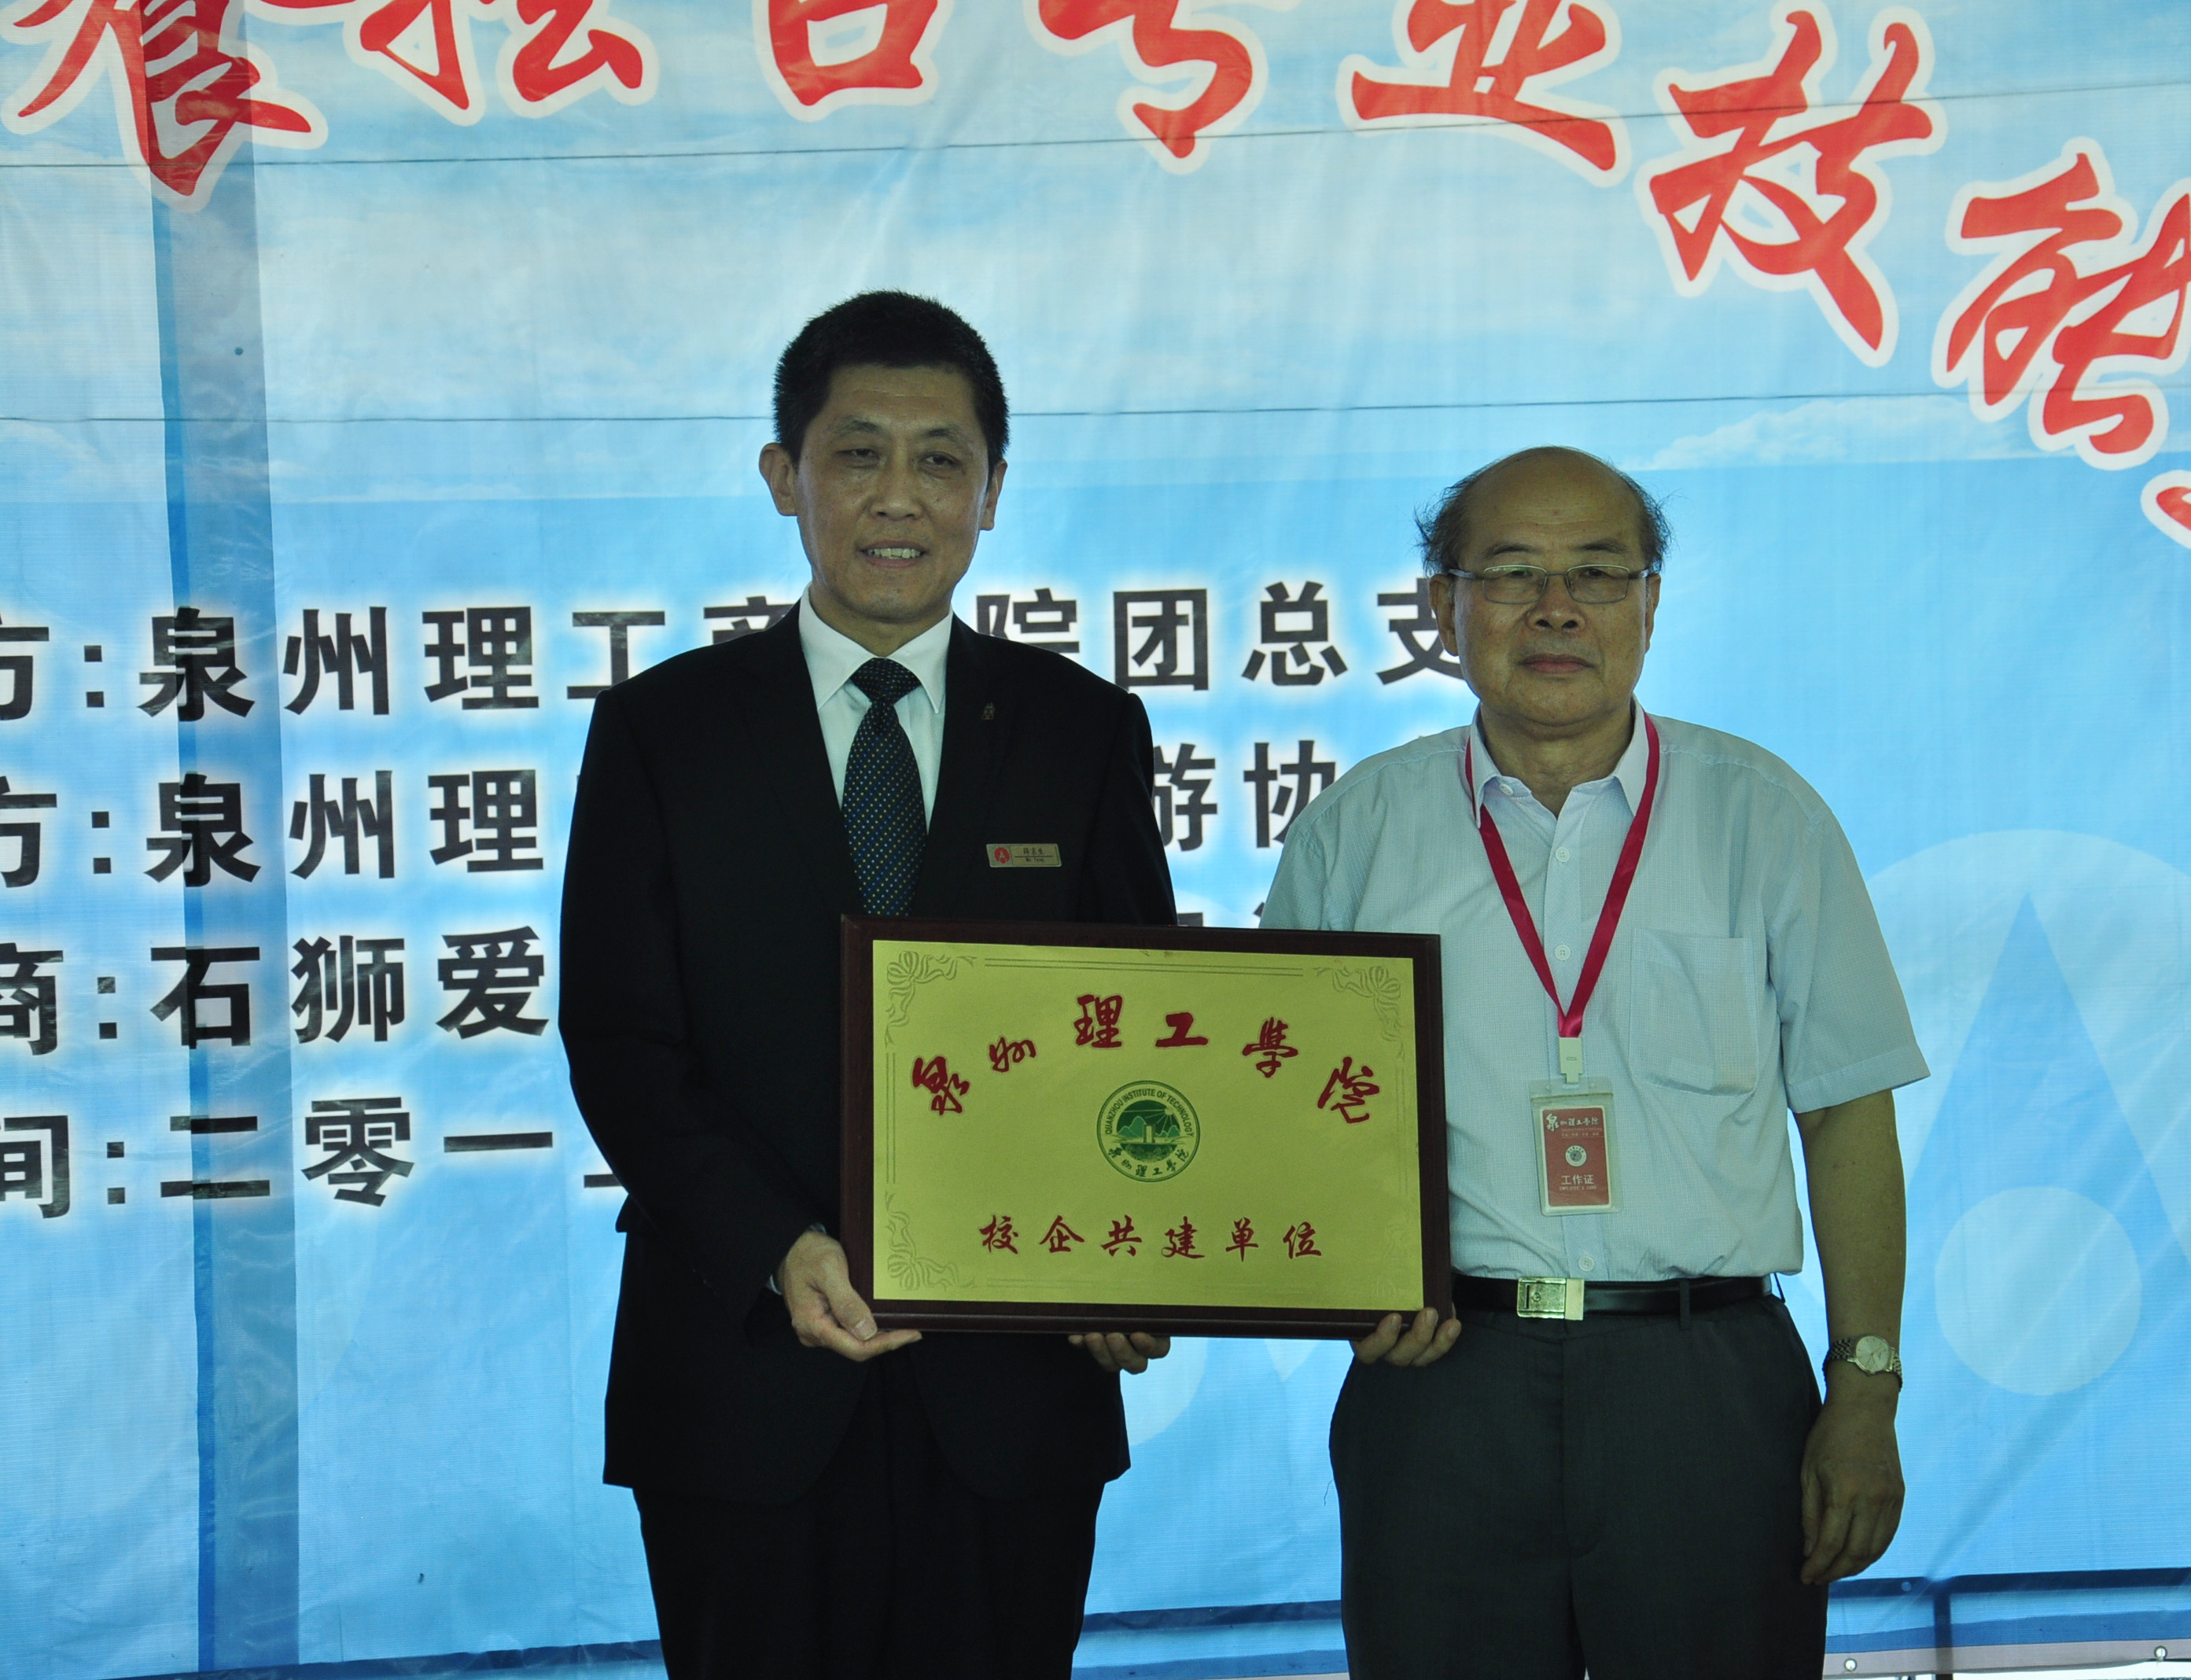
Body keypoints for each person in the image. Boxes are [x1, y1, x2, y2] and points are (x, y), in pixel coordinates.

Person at [559, 290, 1177, 1679]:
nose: (900, 497)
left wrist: (1129, 1256)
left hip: (1015, 1381)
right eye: (857, 454)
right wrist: (779, 1245)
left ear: (992, 491)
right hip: (743, 1369)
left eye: (942, 459)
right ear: (785, 475)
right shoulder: (665, 731)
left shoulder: (1083, 730)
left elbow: (1137, 1021)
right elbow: (620, 1042)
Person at [1261, 446, 1926, 1678]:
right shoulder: (1358, 832)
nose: (1557, 609)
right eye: (1512, 572)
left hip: (1707, 1386)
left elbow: (1847, 1115)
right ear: (1442, 603)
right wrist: (1343, 1286)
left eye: (1599, 574)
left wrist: (1867, 1386)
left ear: (1651, 602)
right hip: (1445, 1381)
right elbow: (1285, 1116)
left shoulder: (1762, 816)